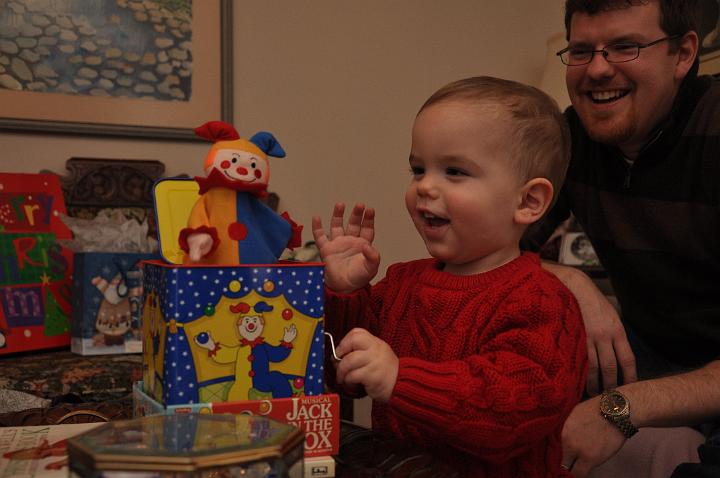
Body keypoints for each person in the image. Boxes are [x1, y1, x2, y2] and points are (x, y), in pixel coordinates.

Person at [312, 77, 588, 477]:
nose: (425, 185)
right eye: (418, 168)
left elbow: (511, 415)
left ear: (528, 202)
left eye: (454, 171)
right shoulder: (402, 284)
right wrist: (344, 292)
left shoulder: (542, 301)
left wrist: (399, 378)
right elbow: (343, 376)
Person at [521, 0, 720, 476]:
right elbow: (484, 253)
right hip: (645, 356)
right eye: (583, 50)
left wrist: (623, 407)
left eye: (626, 47)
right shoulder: (571, 140)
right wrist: (567, 279)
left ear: (683, 54)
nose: (598, 69)